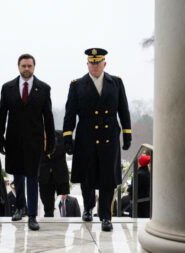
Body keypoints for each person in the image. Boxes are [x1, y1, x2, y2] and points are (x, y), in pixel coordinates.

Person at [63, 48, 131, 231]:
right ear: (87, 65)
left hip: (109, 136)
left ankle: (105, 217)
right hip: (86, 136)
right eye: (91, 63)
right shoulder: (77, 85)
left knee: (108, 178)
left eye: (98, 63)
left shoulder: (115, 82)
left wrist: (127, 132)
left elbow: (123, 109)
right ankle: (88, 207)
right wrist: (67, 136)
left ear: (104, 64)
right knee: (87, 176)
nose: (95, 66)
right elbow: (70, 113)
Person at [0, 53, 55, 230]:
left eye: (29, 66)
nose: (26, 69)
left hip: (34, 141)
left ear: (34, 67)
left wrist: (50, 141)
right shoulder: (8, 88)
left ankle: (32, 215)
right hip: (13, 140)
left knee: (32, 177)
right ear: (18, 67)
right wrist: (0, 138)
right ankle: (19, 207)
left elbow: (48, 117)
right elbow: (1, 114)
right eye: (23, 66)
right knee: (18, 175)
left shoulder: (44, 88)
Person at [39, 130, 70, 217]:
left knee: (64, 205)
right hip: (44, 177)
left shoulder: (60, 135)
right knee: (47, 207)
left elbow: (71, 147)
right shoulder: (35, 136)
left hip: (60, 175)